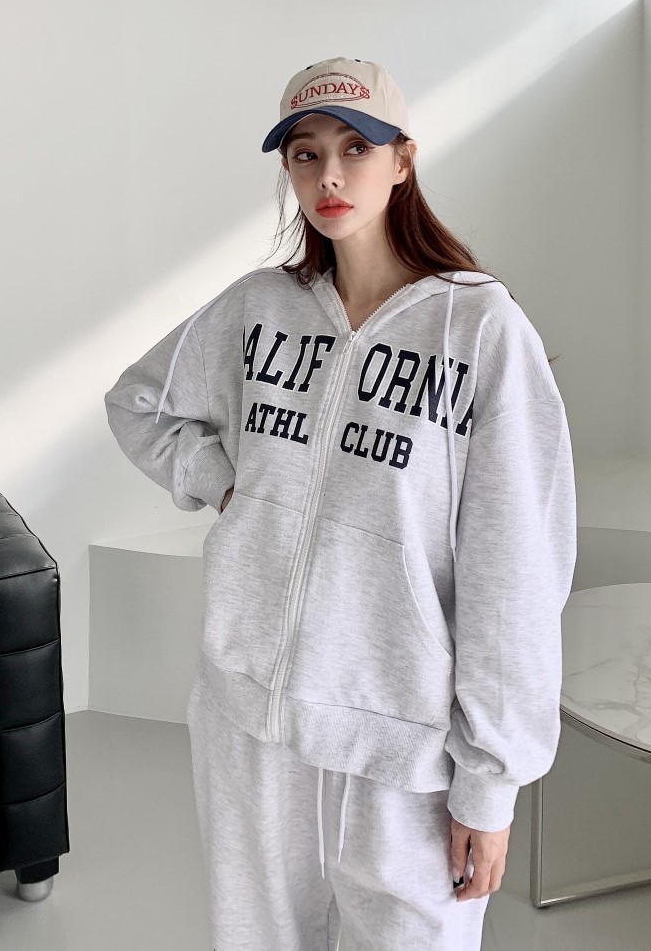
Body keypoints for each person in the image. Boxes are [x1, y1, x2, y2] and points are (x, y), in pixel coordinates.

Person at [104, 57, 577, 950]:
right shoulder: (258, 308)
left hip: (402, 741)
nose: (329, 174)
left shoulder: (480, 331)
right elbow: (138, 402)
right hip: (250, 720)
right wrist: (229, 481)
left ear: (403, 161)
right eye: (305, 152)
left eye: (356, 148)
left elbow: (515, 570)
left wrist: (490, 784)